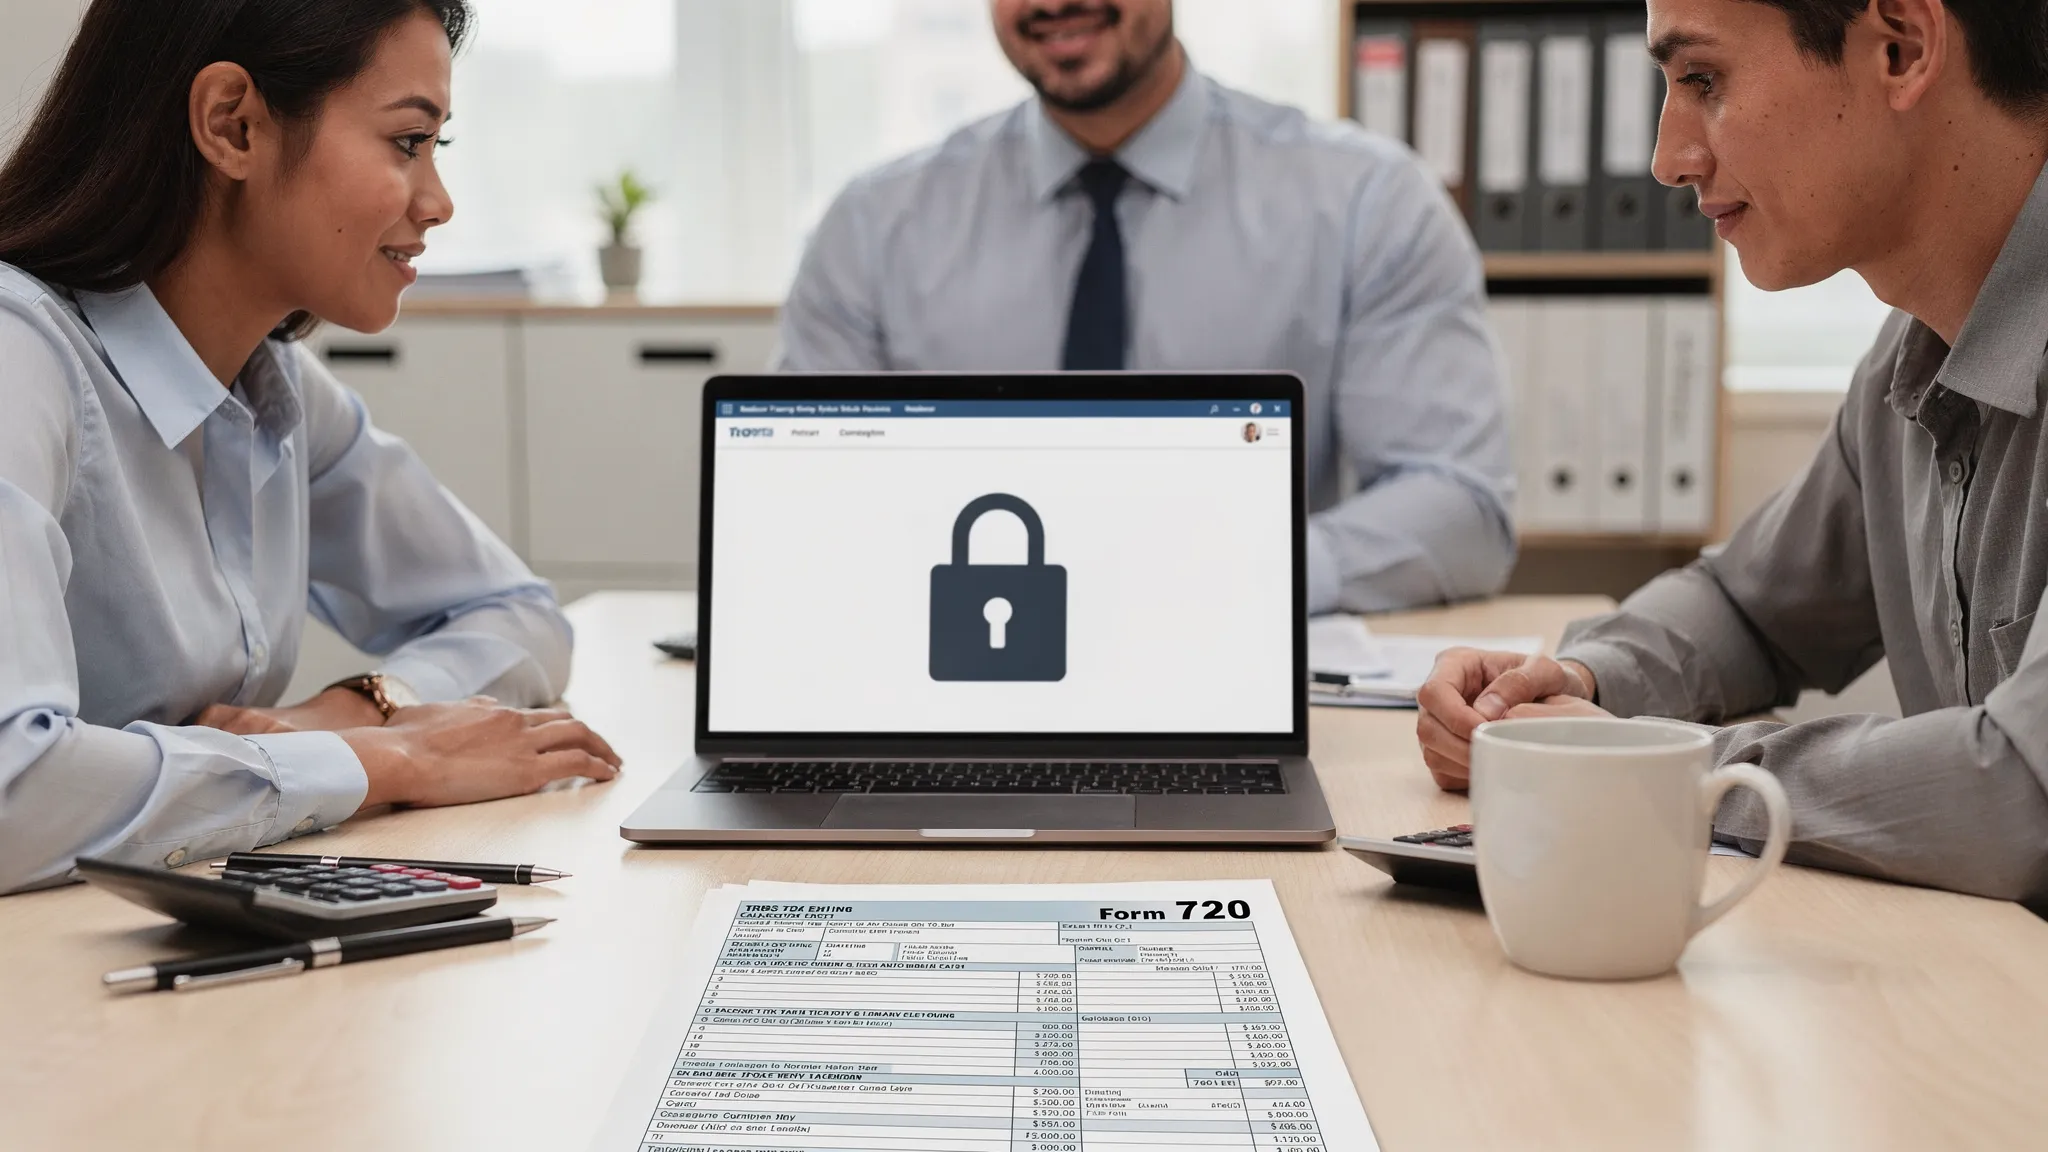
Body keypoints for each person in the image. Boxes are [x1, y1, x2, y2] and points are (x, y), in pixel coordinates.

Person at [1416, 0, 2048, 910]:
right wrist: (1576, 684)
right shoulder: (1910, 359)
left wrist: (1650, 763)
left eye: (1704, 81)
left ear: (1902, 47)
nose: (1667, 159)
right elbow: (1749, 607)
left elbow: (2022, 796)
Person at [0, 0, 621, 896]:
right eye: (409, 141)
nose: (438, 201)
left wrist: (354, 708)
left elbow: (518, 612)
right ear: (233, 125)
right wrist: (382, 760)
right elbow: (15, 792)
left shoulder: (271, 386)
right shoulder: (20, 360)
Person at [777, 0, 1514, 613]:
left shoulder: (1367, 201)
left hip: (1226, 669)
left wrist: (1233, 577)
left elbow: (1462, 511)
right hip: (949, 666)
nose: (1050, 4)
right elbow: (799, 505)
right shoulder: (873, 225)